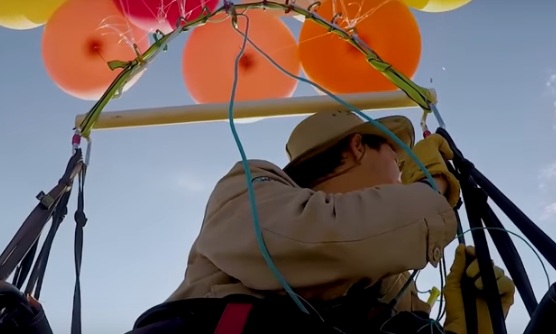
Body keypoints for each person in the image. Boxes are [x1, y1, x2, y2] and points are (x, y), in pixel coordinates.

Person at [127, 110, 515, 334]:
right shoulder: (252, 184)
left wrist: (473, 326)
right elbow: (318, 237)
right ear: (357, 146)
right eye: (397, 162)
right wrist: (435, 186)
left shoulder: (389, 276)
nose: (402, 175)